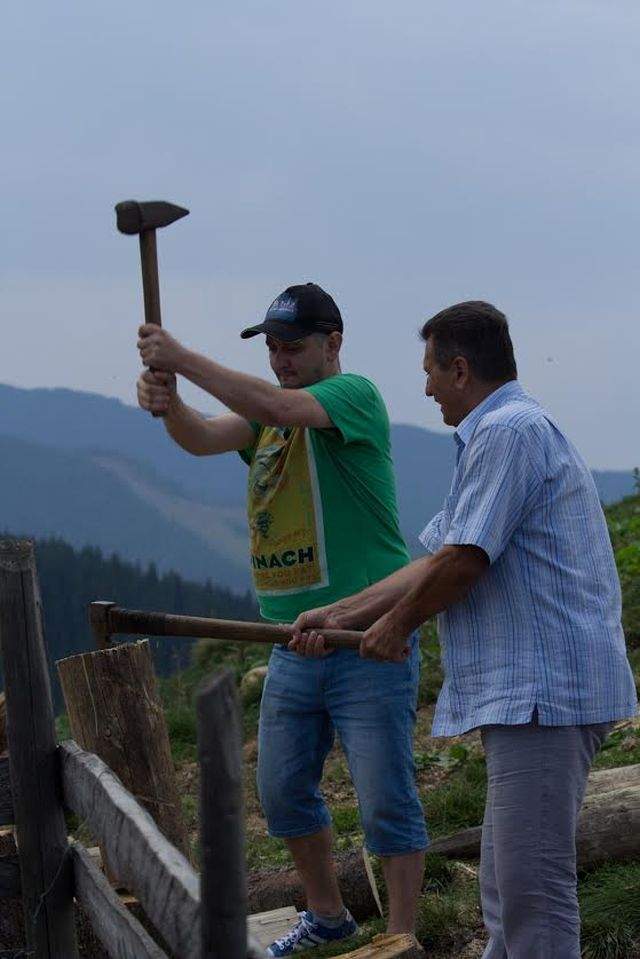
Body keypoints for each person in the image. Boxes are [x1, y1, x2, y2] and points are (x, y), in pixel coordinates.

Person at [292, 300, 638, 959]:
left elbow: (464, 560)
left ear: (458, 368)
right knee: (510, 894)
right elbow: (437, 555)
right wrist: (339, 614)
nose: (423, 388)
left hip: (546, 691)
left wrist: (394, 627)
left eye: (428, 371)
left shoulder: (510, 430)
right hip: (535, 694)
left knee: (531, 890)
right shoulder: (500, 433)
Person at [136, 283, 428, 957]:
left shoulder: (352, 395)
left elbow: (276, 403)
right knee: (282, 788)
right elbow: (204, 436)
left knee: (385, 792)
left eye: (291, 347)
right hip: (290, 637)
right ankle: (328, 916)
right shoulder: (269, 420)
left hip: (367, 634)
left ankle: (401, 934)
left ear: (333, 344)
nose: (280, 359)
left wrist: (179, 359)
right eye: (271, 347)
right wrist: (171, 402)